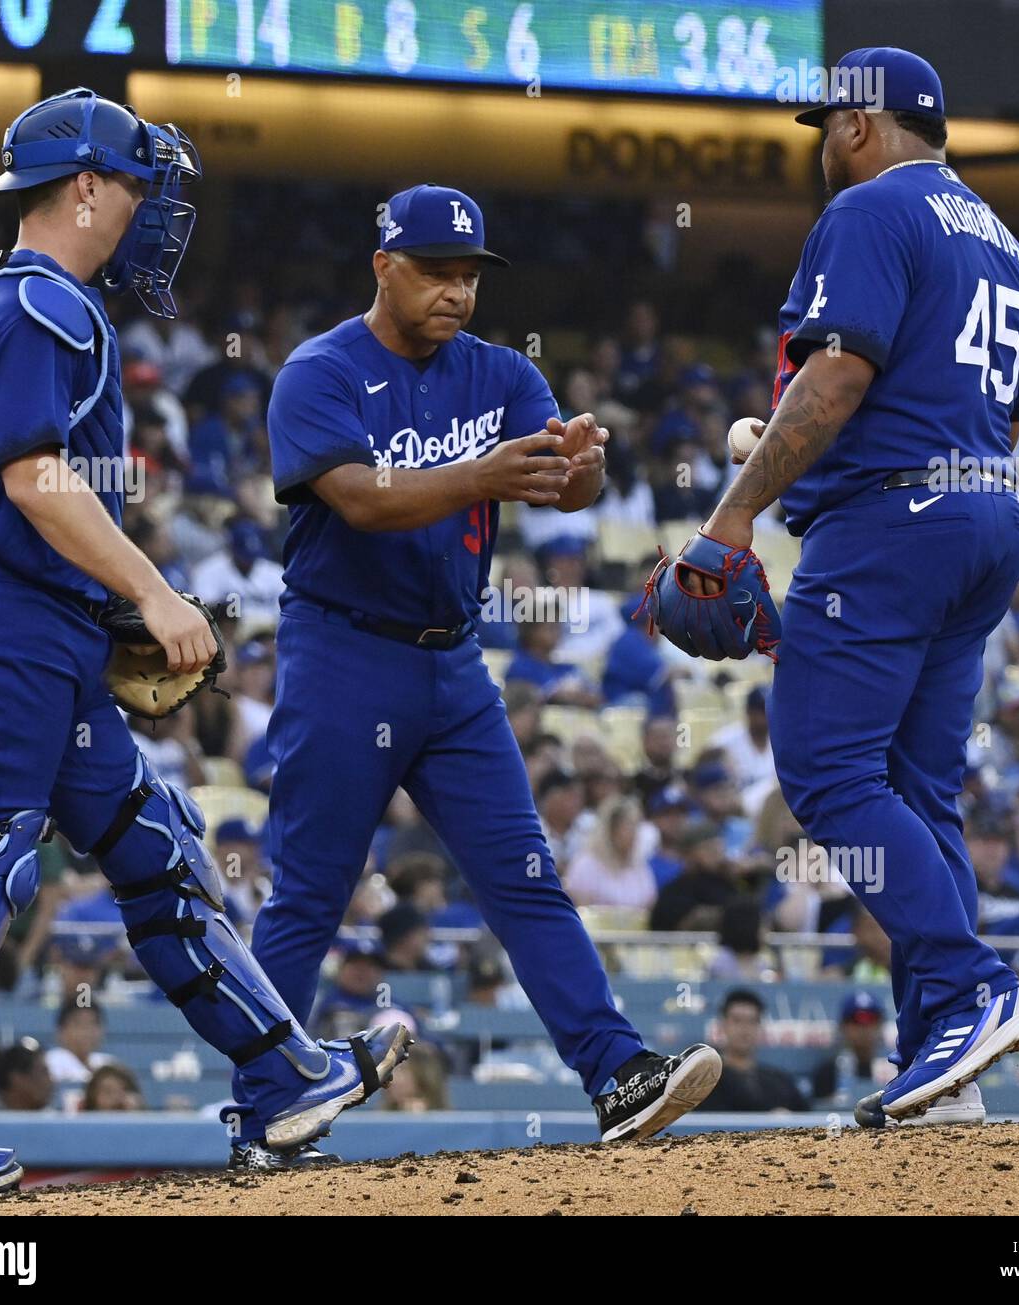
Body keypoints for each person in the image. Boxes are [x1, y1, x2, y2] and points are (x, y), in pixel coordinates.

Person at [0, 89, 407, 1204]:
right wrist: (156, 594)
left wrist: (100, 607)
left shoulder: (10, 294)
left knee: (156, 851)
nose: (150, 207)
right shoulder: (39, 306)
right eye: (135, 183)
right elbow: (31, 478)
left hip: (37, 632)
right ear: (84, 186)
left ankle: (284, 1076)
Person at [254, 183, 721, 1142]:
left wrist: (582, 463)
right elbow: (361, 498)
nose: (456, 291)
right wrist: (484, 473)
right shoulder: (319, 370)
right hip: (342, 650)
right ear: (384, 264)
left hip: (452, 661)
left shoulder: (503, 373)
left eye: (469, 274)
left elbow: (567, 489)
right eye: (435, 271)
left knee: (526, 873)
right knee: (312, 888)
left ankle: (616, 1071)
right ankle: (262, 1100)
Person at [658, 50, 1019, 1127]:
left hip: (894, 525)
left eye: (828, 124)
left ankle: (973, 990)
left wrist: (731, 512)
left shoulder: (871, 209)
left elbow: (837, 377)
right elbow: (946, 404)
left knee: (825, 771)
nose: (823, 143)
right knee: (921, 794)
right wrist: (780, 455)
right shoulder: (999, 237)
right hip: (982, 514)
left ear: (864, 126)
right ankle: (945, 1065)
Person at [695, 990, 808, 1113]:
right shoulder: (705, 1083)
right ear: (722, 1025)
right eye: (737, 1021)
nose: (745, 1029)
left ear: (760, 1027)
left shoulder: (781, 1082)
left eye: (752, 1021)